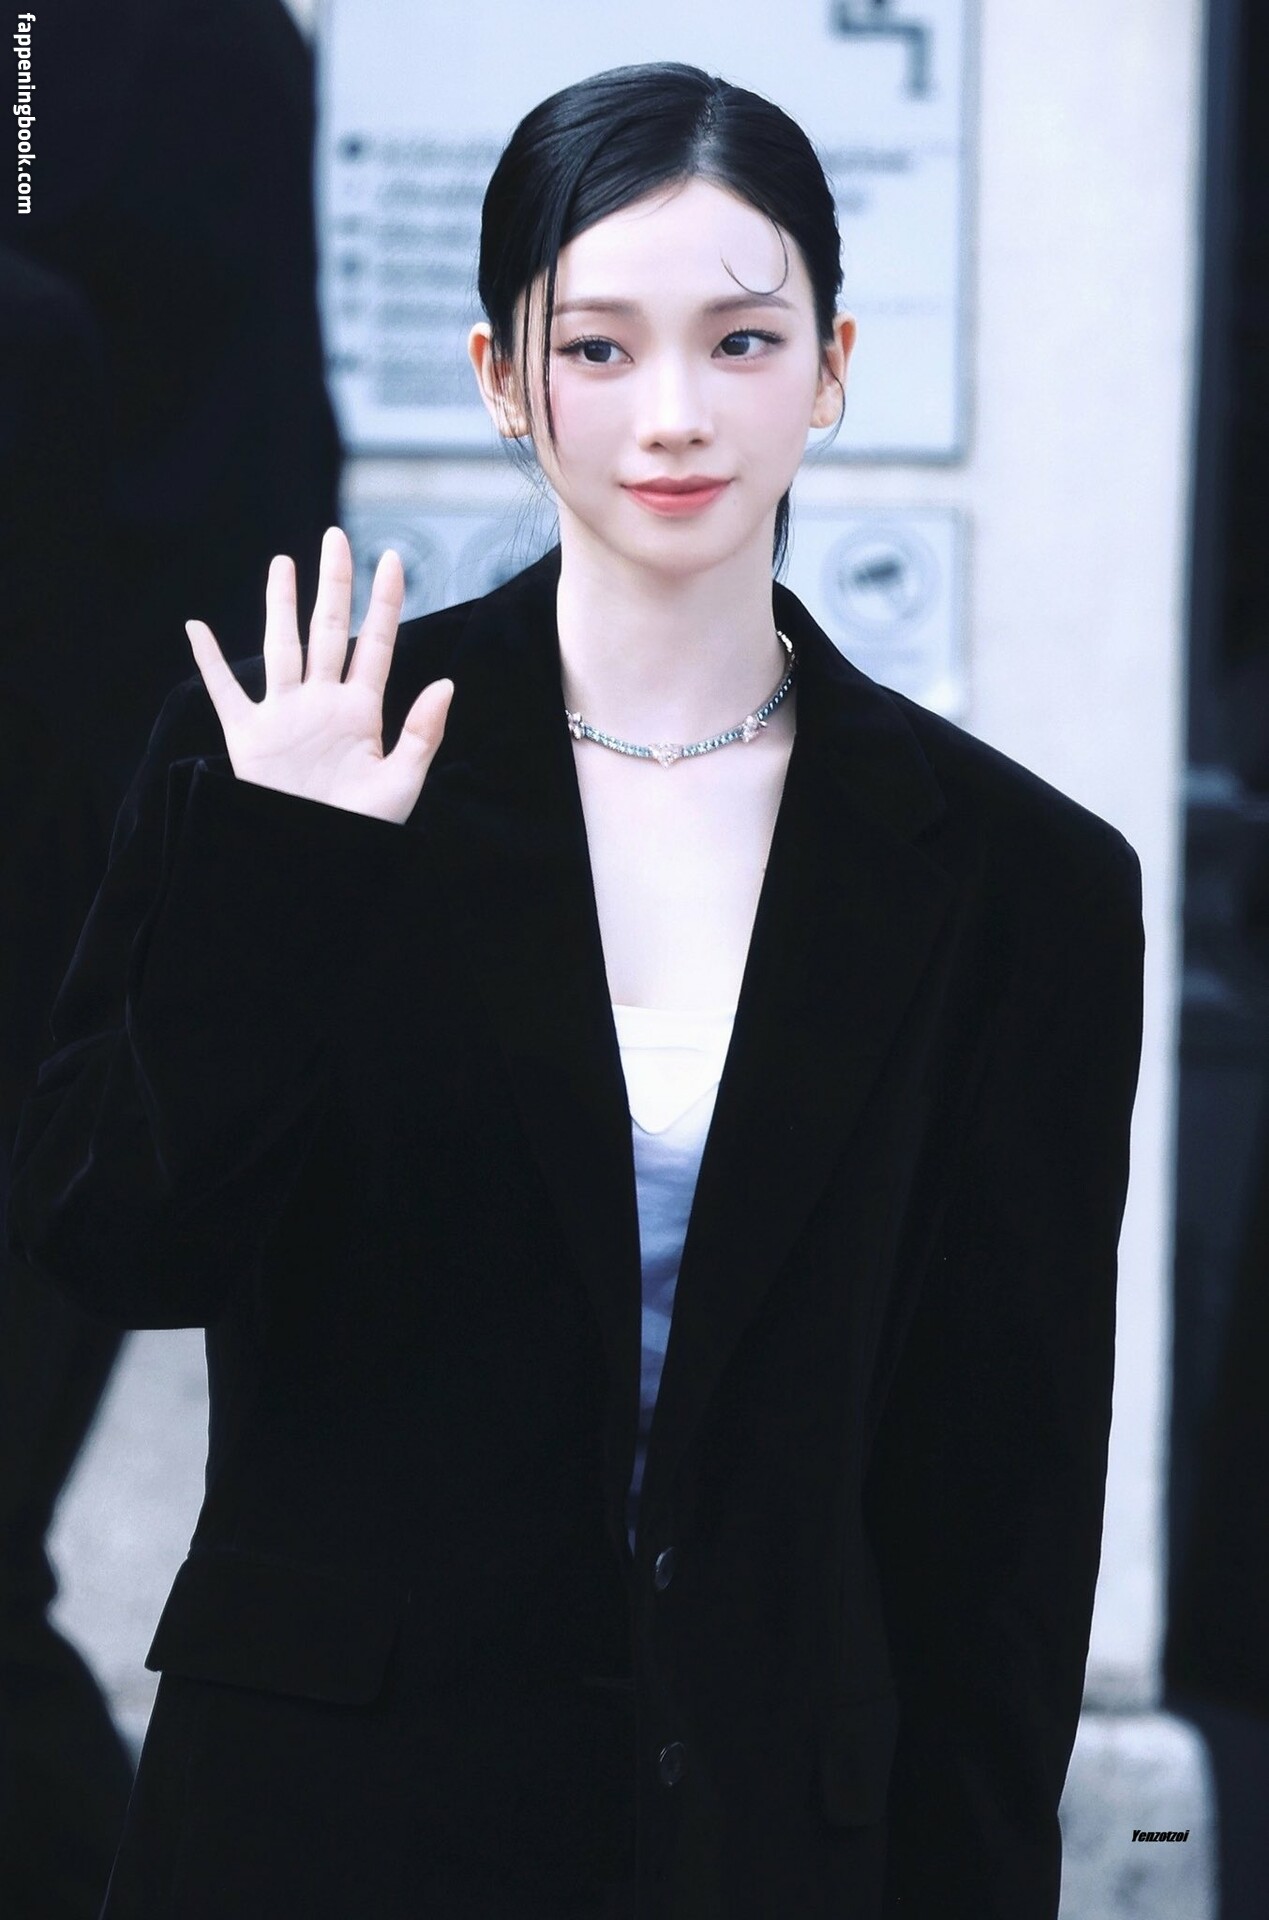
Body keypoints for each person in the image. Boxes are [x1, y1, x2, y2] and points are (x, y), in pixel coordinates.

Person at [6, 61, 1145, 1920]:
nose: (671, 413)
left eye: (741, 340)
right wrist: (286, 874)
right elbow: (112, 1247)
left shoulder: (1027, 882)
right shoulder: (303, 751)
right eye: (596, 347)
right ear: (499, 376)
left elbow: (999, 1522)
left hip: (764, 1847)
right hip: (322, 1834)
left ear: (830, 366)